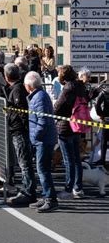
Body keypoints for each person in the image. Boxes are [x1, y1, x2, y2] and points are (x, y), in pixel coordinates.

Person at [24, 71, 58, 213]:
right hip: (42, 139)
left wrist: (35, 136)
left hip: (43, 139)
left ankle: (50, 199)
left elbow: (43, 120)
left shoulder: (39, 97)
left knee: (43, 169)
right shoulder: (38, 96)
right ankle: (45, 196)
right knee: (41, 169)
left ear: (29, 86)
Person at [3, 64, 37, 205]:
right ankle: (27, 190)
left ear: (6, 76)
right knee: (24, 163)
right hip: (20, 130)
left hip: (20, 131)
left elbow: (22, 112)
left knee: (24, 163)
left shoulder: (17, 90)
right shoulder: (17, 88)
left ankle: (29, 192)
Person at [54, 65, 88, 200]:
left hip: (65, 126)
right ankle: (78, 188)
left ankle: (68, 189)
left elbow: (57, 108)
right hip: (77, 126)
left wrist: (54, 106)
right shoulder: (80, 86)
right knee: (76, 159)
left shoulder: (68, 88)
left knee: (69, 160)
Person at [95, 86, 109, 169]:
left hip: (106, 119)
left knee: (104, 141)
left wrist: (101, 114)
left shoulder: (104, 92)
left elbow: (97, 104)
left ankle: (102, 160)